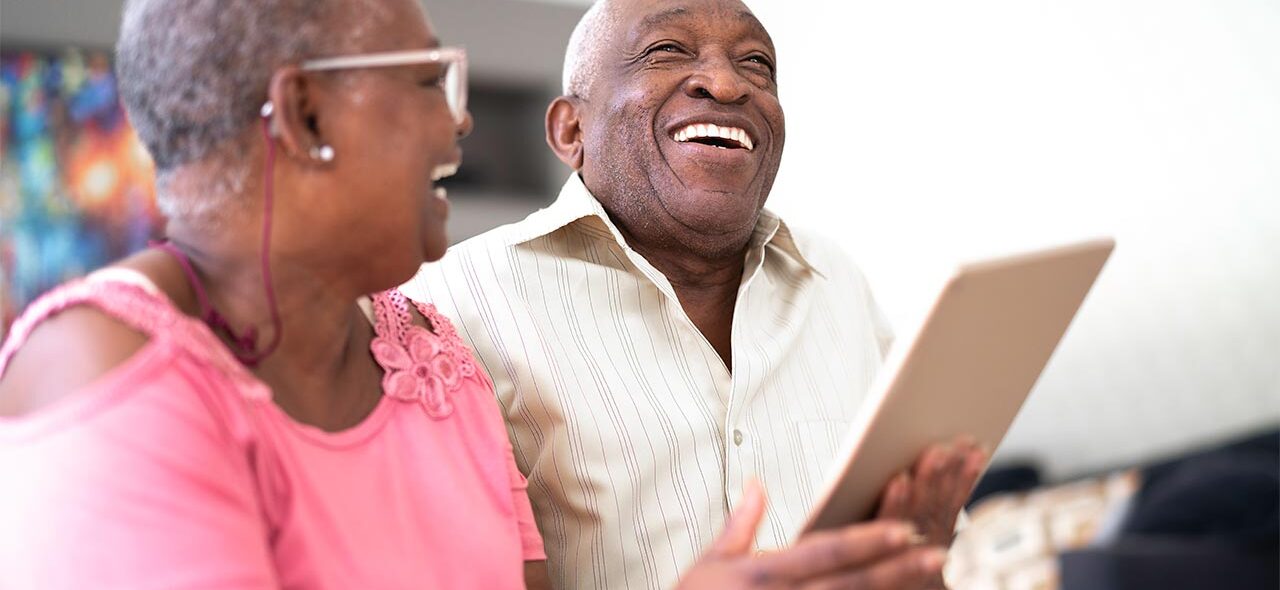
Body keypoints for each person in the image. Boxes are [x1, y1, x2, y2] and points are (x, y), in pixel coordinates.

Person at [0, 1, 953, 589]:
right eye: (426, 79)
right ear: (303, 114)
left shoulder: (433, 361)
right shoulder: (108, 367)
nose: (458, 116)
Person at [403, 0, 985, 588]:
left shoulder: (836, 281)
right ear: (570, 129)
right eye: (667, 51)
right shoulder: (452, 305)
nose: (728, 83)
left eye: (756, 62)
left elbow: (915, 552)